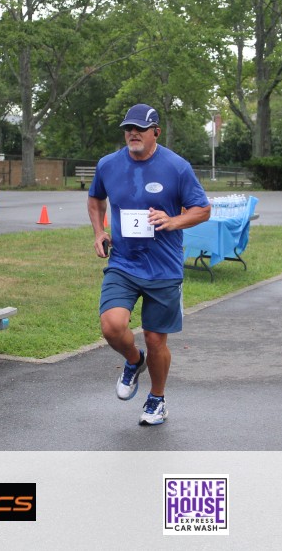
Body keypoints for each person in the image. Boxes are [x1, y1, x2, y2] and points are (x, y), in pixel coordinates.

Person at [87, 104, 211, 425]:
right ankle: (133, 360)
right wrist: (99, 231)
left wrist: (173, 220)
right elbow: (96, 198)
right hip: (124, 263)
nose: (133, 133)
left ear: (156, 131)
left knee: (156, 340)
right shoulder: (108, 165)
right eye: (128, 128)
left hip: (163, 268)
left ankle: (157, 399)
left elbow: (202, 209)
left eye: (140, 129)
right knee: (112, 326)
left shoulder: (177, 167)